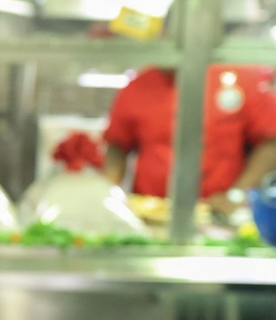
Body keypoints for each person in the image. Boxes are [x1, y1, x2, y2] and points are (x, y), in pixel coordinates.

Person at [102, 63, 276, 217]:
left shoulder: (238, 79)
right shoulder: (138, 86)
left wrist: (237, 195)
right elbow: (116, 148)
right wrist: (109, 199)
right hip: (149, 213)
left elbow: (271, 142)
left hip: (219, 215)